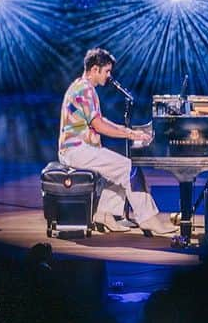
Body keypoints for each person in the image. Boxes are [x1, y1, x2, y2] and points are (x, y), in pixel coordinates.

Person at [58, 48, 176, 236]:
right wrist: (129, 134)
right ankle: (148, 219)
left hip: (76, 149)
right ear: (95, 69)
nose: (109, 76)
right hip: (76, 150)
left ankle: (104, 214)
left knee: (117, 171)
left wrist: (129, 131)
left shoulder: (82, 87)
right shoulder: (85, 89)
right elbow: (99, 125)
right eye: (106, 71)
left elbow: (100, 120)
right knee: (129, 169)